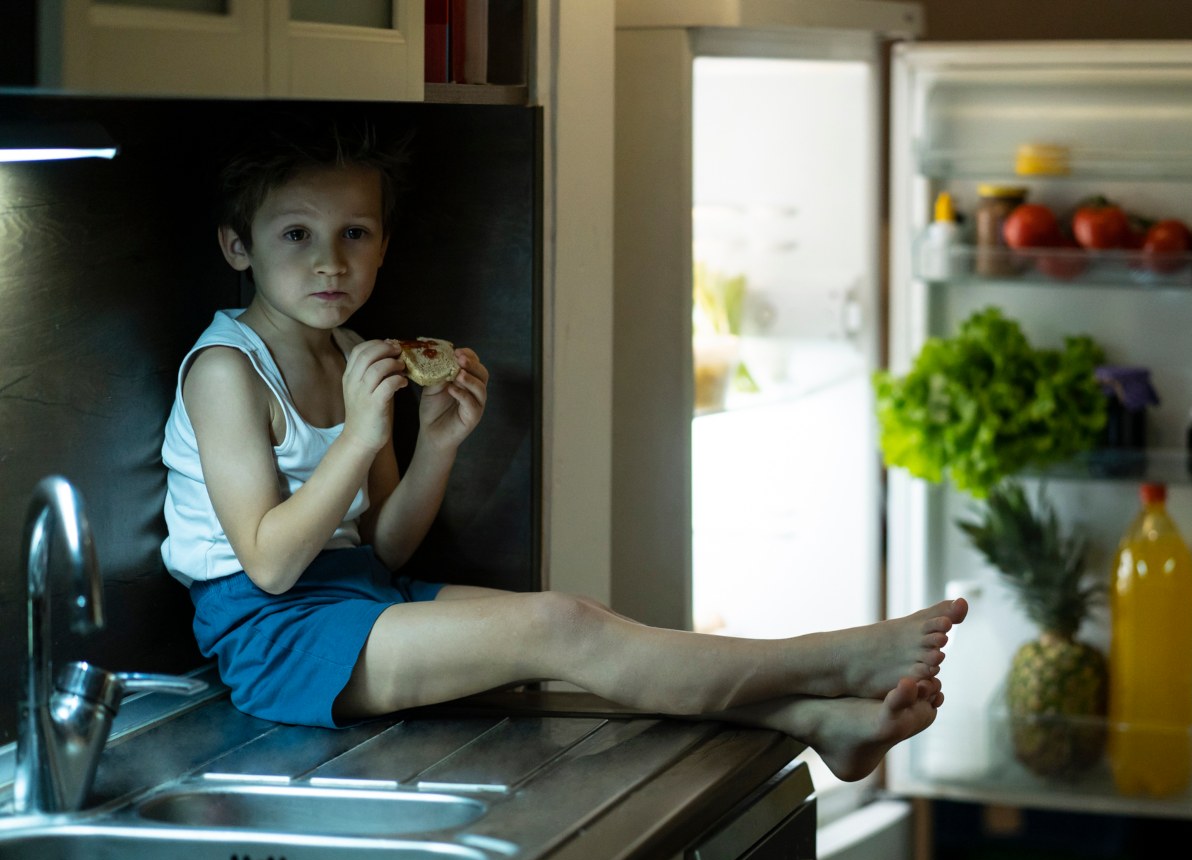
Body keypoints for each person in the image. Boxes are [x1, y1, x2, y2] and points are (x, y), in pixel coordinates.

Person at [161, 122, 968, 782]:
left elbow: (384, 545)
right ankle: (834, 658)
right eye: (295, 234)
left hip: (358, 592)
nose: (329, 259)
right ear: (238, 247)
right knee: (560, 625)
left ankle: (820, 721)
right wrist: (367, 434)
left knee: (591, 626)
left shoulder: (350, 348)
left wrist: (438, 444)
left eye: (354, 232)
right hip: (272, 636)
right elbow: (267, 564)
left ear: (382, 243)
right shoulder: (227, 371)